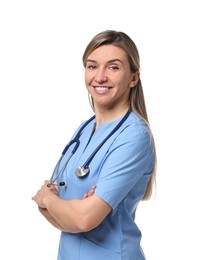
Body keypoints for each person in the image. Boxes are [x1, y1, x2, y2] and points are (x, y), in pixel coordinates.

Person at [32, 30, 157, 260]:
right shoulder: (84, 129)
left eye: (113, 67)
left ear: (133, 78)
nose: (99, 77)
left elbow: (81, 219)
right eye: (92, 66)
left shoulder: (133, 136)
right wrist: (70, 210)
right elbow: (59, 216)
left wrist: (49, 199)